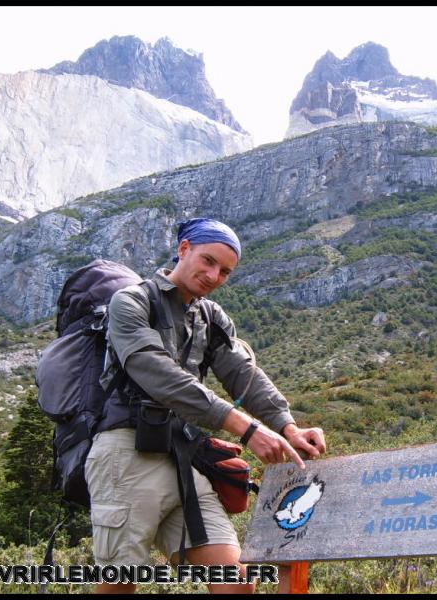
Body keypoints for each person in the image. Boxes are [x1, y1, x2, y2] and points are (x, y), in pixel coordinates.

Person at [86, 217, 327, 594]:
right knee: (121, 583)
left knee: (235, 584)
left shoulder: (210, 317)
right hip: (125, 457)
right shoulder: (132, 301)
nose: (215, 276)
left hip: (182, 458)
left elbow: (244, 374)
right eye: (208, 261)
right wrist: (246, 429)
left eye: (226, 271)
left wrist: (287, 426)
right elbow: (159, 374)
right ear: (184, 249)